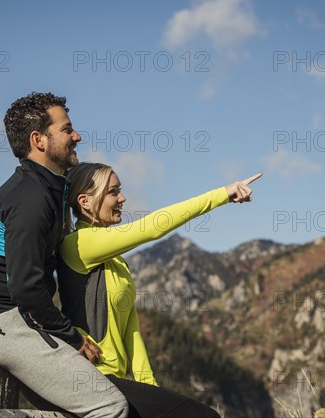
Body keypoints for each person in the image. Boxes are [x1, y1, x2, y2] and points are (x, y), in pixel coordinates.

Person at [0, 93, 129, 418]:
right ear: (38, 140)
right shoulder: (31, 197)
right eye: (67, 129)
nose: (77, 136)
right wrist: (71, 337)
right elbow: (25, 287)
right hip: (1, 324)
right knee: (110, 407)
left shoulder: (44, 189)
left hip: (11, 322)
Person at [57, 162, 262, 418]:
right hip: (92, 379)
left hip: (115, 381)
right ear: (85, 201)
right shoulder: (78, 245)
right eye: (113, 192)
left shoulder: (117, 262)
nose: (122, 198)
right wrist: (221, 194)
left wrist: (150, 387)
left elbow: (131, 329)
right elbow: (153, 227)